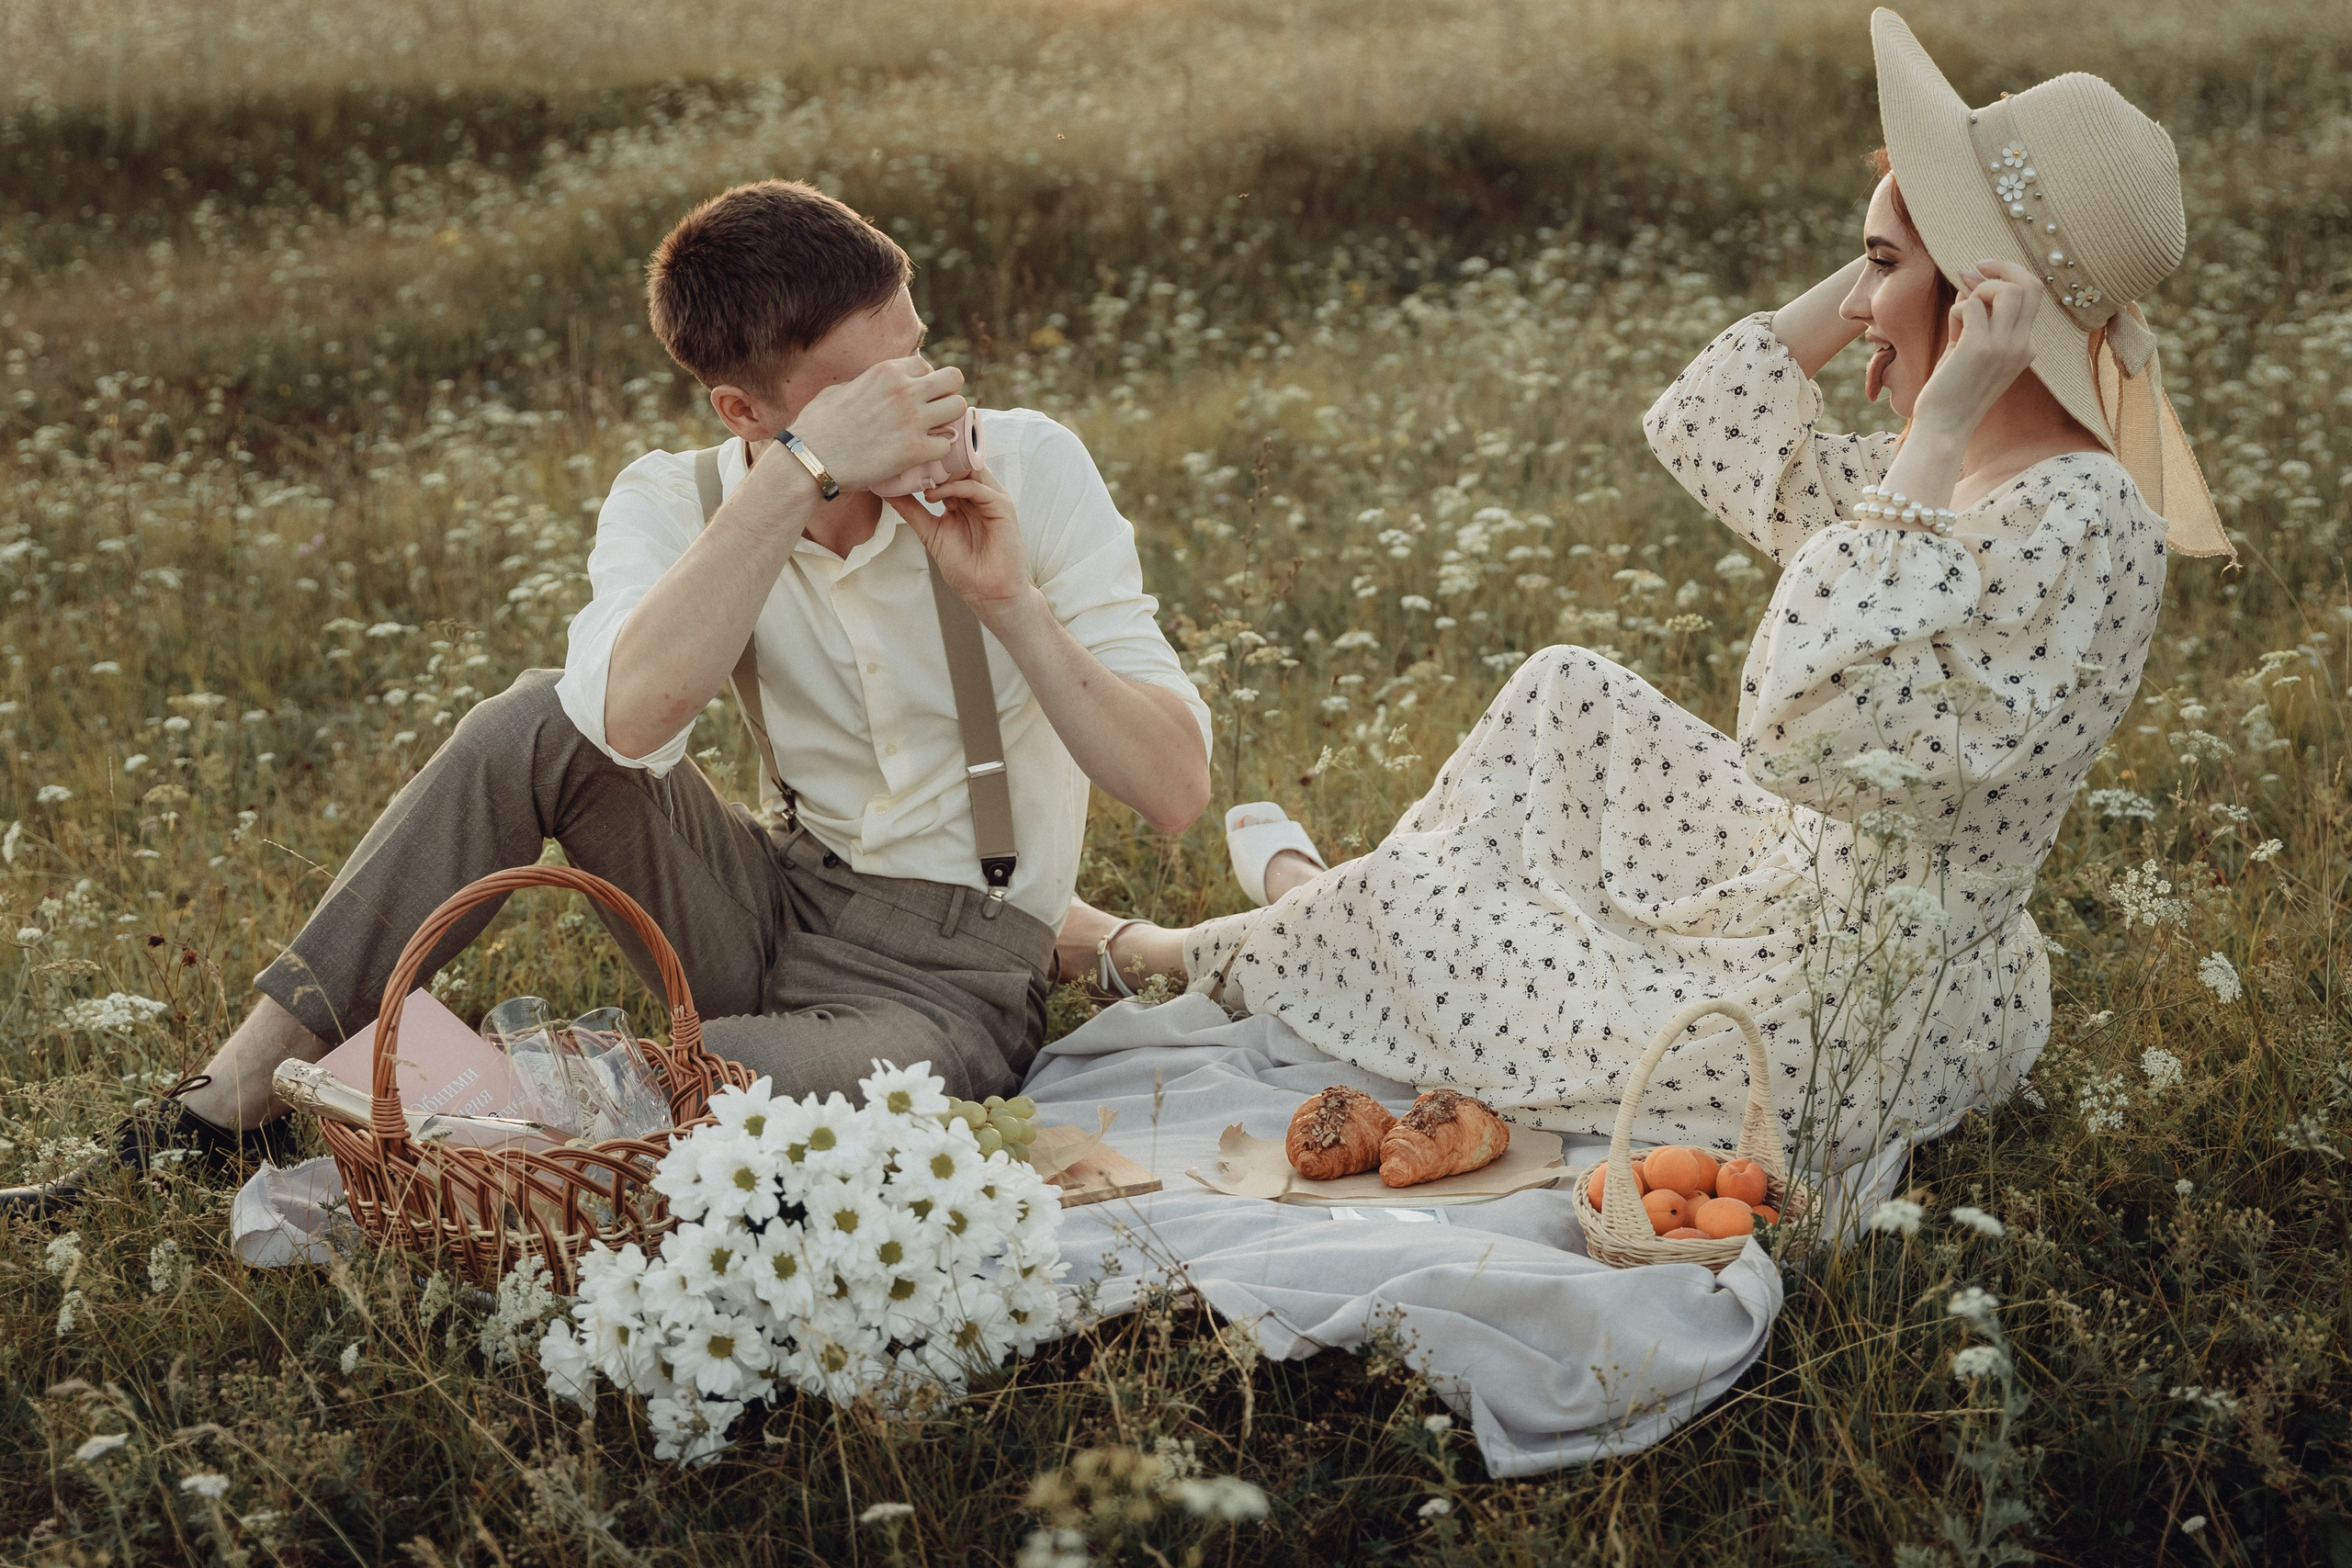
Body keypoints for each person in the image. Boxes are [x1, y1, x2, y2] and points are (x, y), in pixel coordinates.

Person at [1062, 8, 2230, 1170]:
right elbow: (1707, 425)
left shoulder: (2073, 518)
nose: (1860, 306)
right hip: (1799, 881)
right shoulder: (1970, 462)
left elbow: (1795, 726)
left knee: (1448, 926)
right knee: (1566, 692)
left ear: (1988, 303)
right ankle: (1334, 918)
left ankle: (1197, 943)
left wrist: (1932, 413)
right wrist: (1902, 261)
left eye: (1879, 268)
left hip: (1846, 1007)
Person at [5, 180, 1212, 1215]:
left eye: (921, 351)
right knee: (535, 714)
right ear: (749, 413)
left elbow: (1173, 789)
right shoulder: (679, 496)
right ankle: (230, 1105)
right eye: (868, 390)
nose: (925, 401)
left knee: (681, 1089)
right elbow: (624, 723)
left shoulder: (1028, 462)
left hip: (951, 984)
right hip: (772, 901)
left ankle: (448, 1104)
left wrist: (1009, 603)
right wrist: (796, 479)